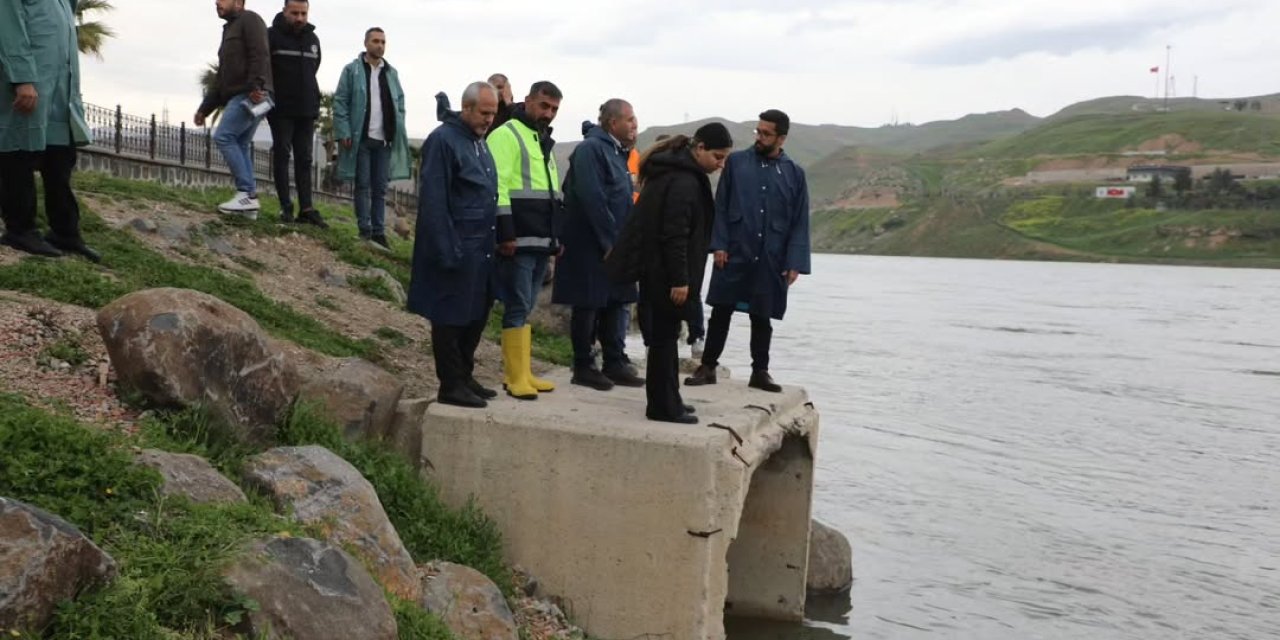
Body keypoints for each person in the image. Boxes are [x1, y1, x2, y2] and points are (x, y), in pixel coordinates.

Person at [607, 123, 733, 424]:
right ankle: (663, 407)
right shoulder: (683, 181)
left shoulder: (678, 174)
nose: (721, 165)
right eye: (717, 157)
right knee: (664, 340)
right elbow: (674, 234)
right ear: (699, 148)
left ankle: (669, 399)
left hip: (659, 269)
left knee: (666, 337)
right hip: (667, 273)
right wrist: (680, 280)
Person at [685, 110, 811, 393]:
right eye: (758, 131)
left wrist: (794, 262)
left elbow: (800, 221)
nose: (760, 137)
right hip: (734, 250)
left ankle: (760, 371)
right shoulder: (737, 163)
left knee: (762, 314)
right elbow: (722, 205)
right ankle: (708, 366)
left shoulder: (794, 174)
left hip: (772, 255)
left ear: (781, 137)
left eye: (766, 133)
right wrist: (718, 244)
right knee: (721, 309)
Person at [408, 83, 500, 408]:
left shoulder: (479, 143)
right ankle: (450, 384)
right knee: (450, 317)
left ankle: (464, 374)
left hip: (481, 250)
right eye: (484, 112)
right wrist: (447, 250)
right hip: (456, 248)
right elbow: (434, 201)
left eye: (493, 113)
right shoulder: (444, 141)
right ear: (467, 108)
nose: (489, 119)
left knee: (475, 314)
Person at [553, 100, 645, 391]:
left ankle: (614, 362)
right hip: (590, 244)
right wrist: (609, 241)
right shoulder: (591, 150)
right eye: (629, 119)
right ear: (612, 123)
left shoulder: (619, 152)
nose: (634, 125)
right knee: (589, 303)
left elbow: (621, 199)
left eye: (635, 120)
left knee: (617, 301)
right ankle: (583, 365)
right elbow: (593, 198)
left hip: (616, 243)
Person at [0, 0, 98, 260]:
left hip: (60, 91)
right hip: (29, 84)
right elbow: (8, 28)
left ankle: (65, 232)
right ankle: (20, 230)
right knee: (18, 155)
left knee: (60, 158)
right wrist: (22, 78)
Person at [487, 81, 563, 400]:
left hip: (540, 239)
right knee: (518, 305)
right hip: (518, 238)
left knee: (527, 304)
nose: (548, 113)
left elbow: (552, 193)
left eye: (554, 109)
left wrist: (556, 237)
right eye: (544, 106)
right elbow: (499, 185)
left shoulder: (543, 141)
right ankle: (514, 376)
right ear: (528, 101)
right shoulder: (507, 134)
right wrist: (505, 232)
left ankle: (524, 372)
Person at [333, 27, 410, 249]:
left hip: (384, 140)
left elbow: (400, 103)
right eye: (376, 41)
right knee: (363, 185)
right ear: (366, 43)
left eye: (383, 42)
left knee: (380, 188)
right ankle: (364, 230)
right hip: (362, 139)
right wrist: (344, 131)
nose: (380, 45)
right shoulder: (352, 70)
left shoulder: (391, 73)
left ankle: (379, 232)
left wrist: (399, 125)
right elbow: (340, 102)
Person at [195, 0, 273, 219]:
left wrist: (256, 85)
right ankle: (249, 205)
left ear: (239, 2)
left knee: (224, 136)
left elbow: (260, 52)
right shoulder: (229, 29)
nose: (217, 2)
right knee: (240, 142)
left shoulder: (250, 19)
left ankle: (246, 194)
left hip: (252, 93)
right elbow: (223, 77)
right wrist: (205, 109)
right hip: (247, 92)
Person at [266, 0, 326, 227]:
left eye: (303, 13)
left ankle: (307, 209)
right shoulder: (271, 36)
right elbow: (265, 67)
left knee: (305, 158)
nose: (299, 18)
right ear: (285, 11)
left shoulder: (313, 39)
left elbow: (315, 67)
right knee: (282, 155)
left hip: (307, 109)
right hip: (281, 109)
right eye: (295, 13)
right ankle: (286, 208)